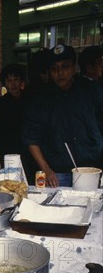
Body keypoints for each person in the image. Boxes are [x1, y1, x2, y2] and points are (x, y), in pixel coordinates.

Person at [23, 44, 103, 187]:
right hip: (58, 174)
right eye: (54, 69)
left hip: (92, 169)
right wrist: (46, 169)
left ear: (74, 68)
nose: (60, 73)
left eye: (65, 67)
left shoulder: (91, 90)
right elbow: (31, 139)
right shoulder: (42, 99)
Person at [0, 63, 27, 168]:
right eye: (9, 81)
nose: (13, 84)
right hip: (8, 150)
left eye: (16, 80)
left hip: (27, 151)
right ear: (4, 83)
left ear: (21, 81)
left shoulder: (30, 100)